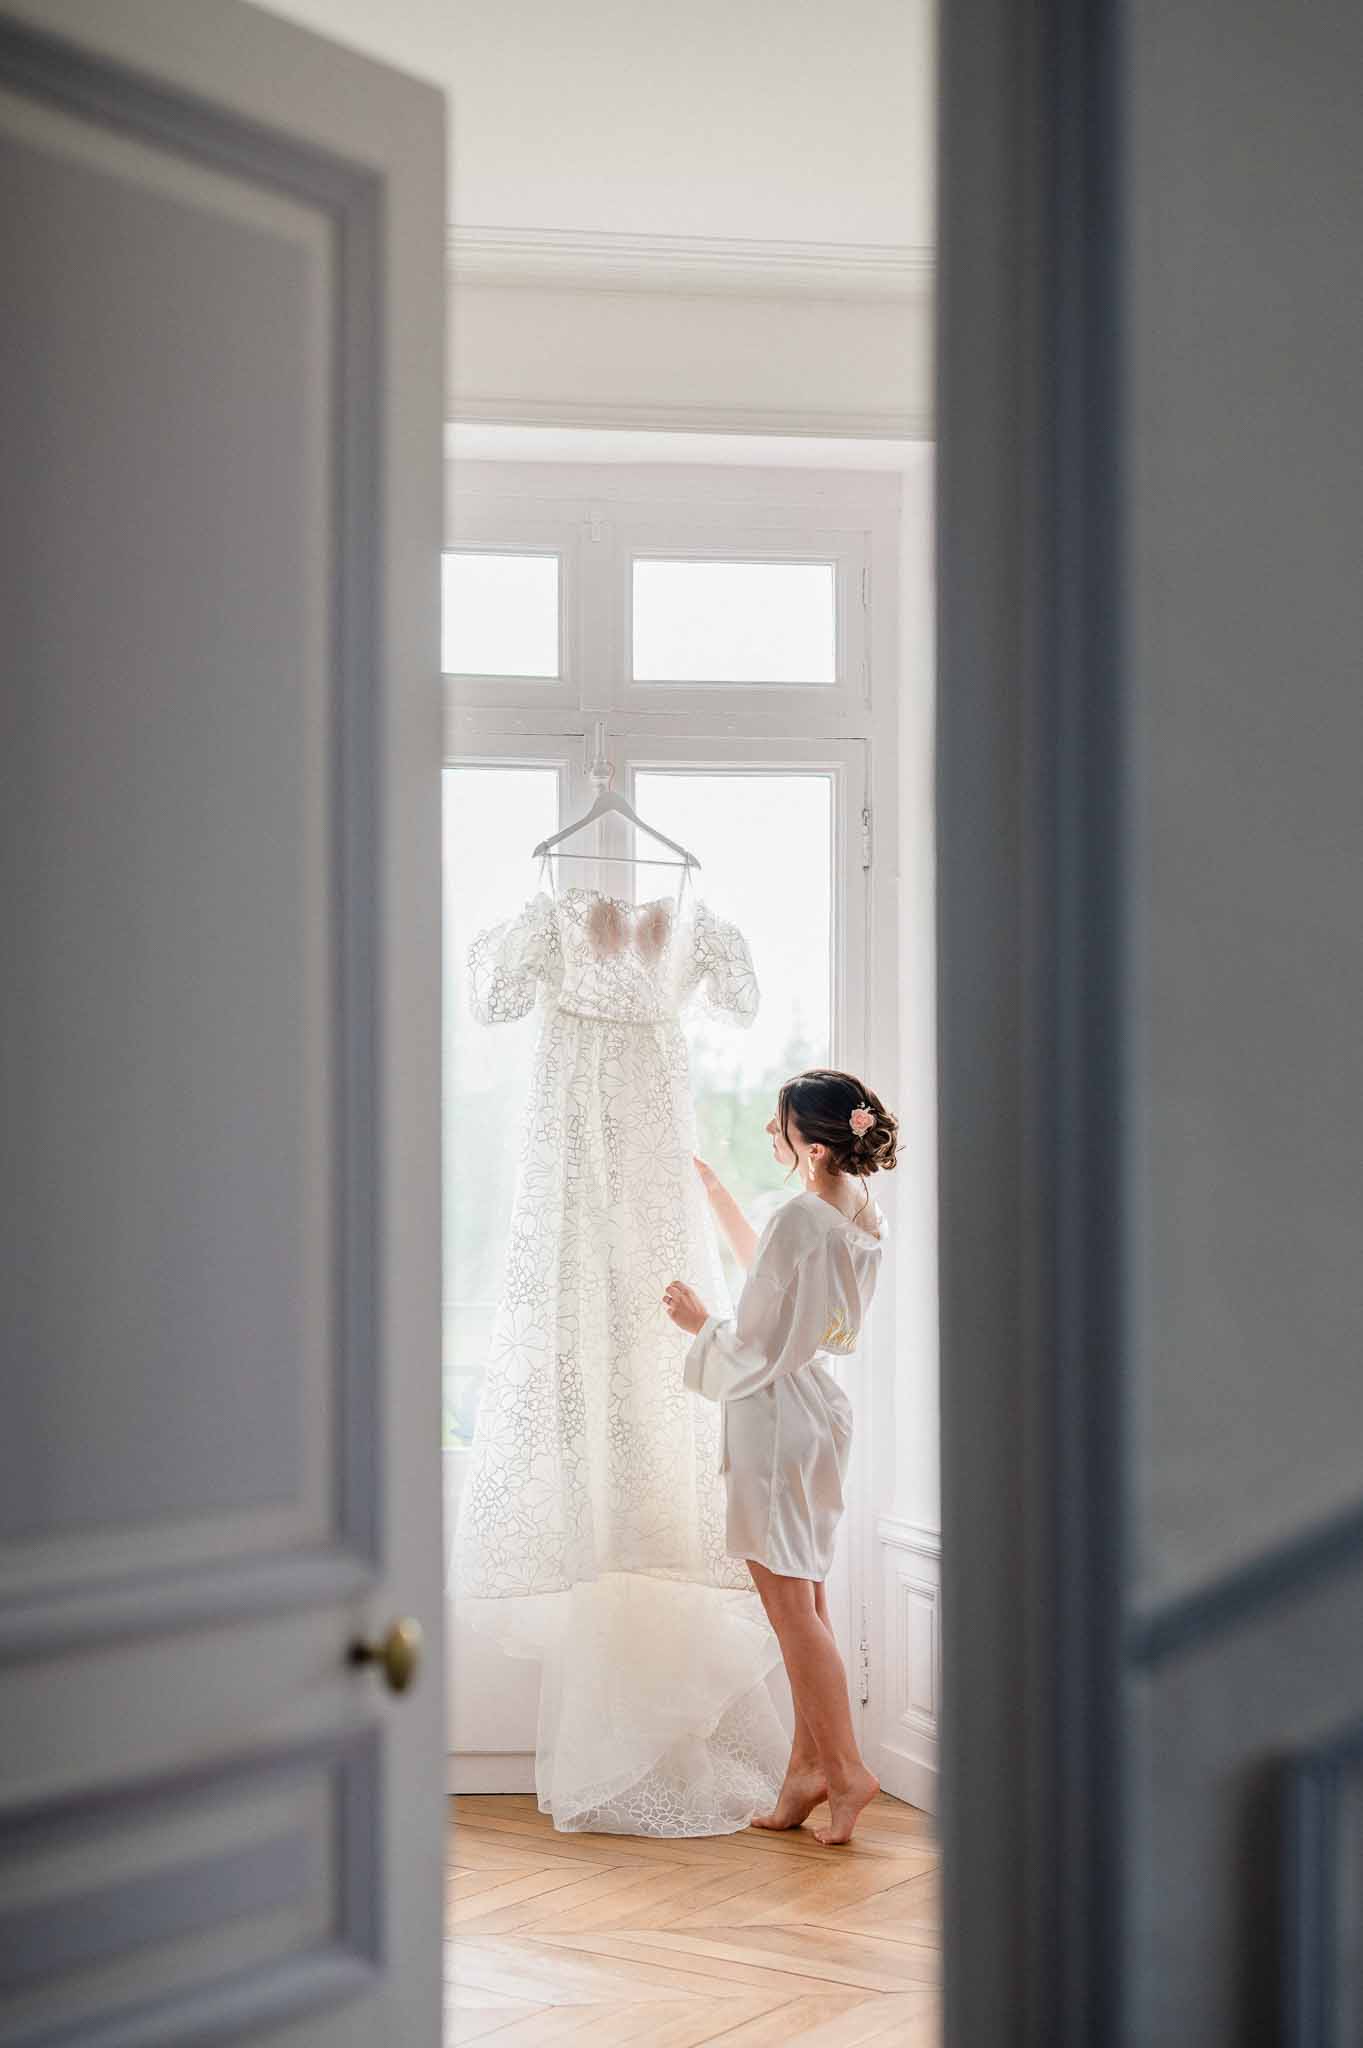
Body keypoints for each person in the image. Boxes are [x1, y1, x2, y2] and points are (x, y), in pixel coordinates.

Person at [661, 1068, 897, 1846]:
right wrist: (719, 1197)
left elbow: (759, 1336)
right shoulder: (859, 1208)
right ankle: (806, 1768)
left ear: (813, 1144)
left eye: (780, 1124)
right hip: (817, 1411)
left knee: (791, 1609)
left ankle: (847, 1769)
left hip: (775, 1417)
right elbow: (784, 1281)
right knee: (809, 1600)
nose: (771, 1132)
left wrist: (699, 1324)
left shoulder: (802, 1215)